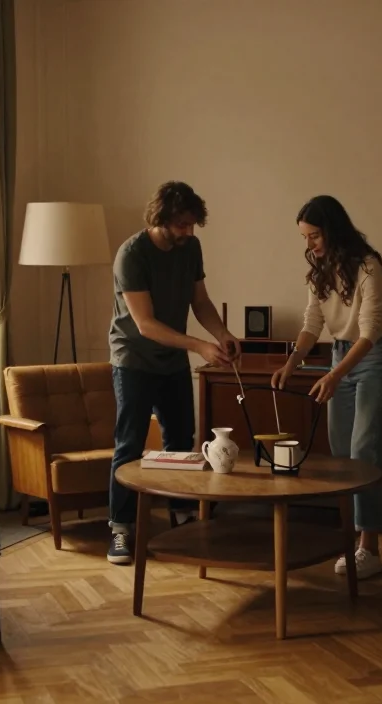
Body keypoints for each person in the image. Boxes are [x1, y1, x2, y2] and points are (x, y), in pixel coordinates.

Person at [106, 181, 240, 565]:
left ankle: (181, 515)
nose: (188, 232)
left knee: (181, 439)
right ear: (160, 218)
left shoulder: (190, 247)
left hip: (172, 359)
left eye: (192, 224)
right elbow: (145, 324)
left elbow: (200, 300)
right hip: (133, 359)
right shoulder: (131, 254)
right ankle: (120, 528)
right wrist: (199, 346)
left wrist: (222, 333)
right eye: (181, 224)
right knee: (129, 444)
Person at [271, 195, 382, 580]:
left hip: (373, 356)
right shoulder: (321, 272)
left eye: (314, 236)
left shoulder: (368, 266)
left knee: (364, 451)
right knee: (342, 455)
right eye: (306, 238)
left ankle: (369, 547)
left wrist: (335, 374)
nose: (310, 245)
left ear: (332, 229)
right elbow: (313, 323)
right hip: (340, 357)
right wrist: (292, 363)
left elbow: (371, 328)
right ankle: (348, 539)